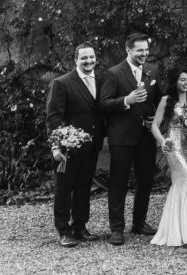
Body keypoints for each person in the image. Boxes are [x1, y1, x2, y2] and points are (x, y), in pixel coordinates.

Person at [100, 32, 161, 245]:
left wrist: (154, 119)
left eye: (146, 50)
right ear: (128, 50)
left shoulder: (152, 71)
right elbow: (104, 104)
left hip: (145, 137)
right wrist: (127, 99)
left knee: (145, 180)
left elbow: (159, 100)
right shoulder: (114, 73)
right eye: (140, 50)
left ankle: (139, 222)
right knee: (118, 183)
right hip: (122, 138)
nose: (145, 54)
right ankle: (117, 229)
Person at [45, 42, 106, 247]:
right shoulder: (61, 83)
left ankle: (80, 226)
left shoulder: (101, 80)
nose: (89, 61)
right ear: (75, 60)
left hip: (91, 146)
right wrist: (57, 146)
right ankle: (64, 231)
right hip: (68, 148)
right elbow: (54, 117)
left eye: (92, 57)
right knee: (64, 189)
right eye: (84, 58)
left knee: (83, 188)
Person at [149, 67, 187, 247]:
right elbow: (155, 125)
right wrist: (163, 141)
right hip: (175, 146)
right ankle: (176, 232)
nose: (186, 83)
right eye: (182, 79)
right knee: (182, 181)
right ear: (175, 81)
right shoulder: (166, 100)